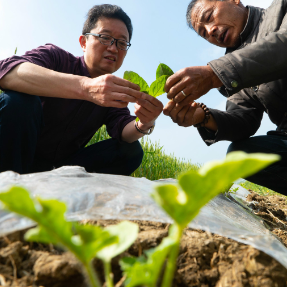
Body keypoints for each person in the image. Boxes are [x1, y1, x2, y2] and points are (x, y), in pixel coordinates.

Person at [0, 4, 163, 176]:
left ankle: (65, 195)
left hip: (61, 170)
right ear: (84, 42)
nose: (113, 48)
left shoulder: (113, 89)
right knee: (19, 102)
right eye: (105, 37)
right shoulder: (56, 58)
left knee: (131, 151)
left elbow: (124, 130)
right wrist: (86, 87)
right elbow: (9, 73)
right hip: (17, 156)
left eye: (122, 43)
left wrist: (145, 123)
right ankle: (7, 192)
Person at [163, 0, 287, 194]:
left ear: (234, 1)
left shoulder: (282, 8)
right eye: (203, 33)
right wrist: (202, 116)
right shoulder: (231, 68)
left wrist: (215, 74)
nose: (210, 30)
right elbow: (244, 121)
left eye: (209, 17)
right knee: (240, 155)